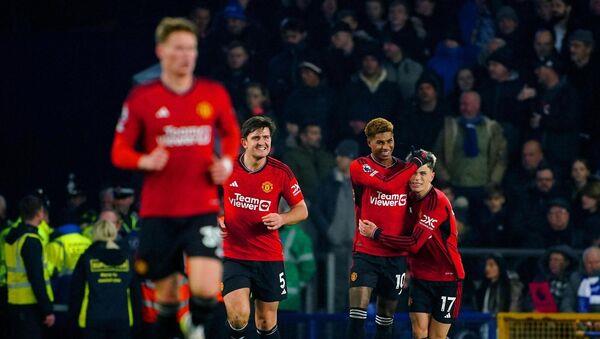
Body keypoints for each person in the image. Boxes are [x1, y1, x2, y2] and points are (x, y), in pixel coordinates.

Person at [110, 17, 241, 339]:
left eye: (192, 49)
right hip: (159, 210)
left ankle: (196, 327)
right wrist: (145, 159)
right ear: (161, 51)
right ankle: (175, 326)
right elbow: (119, 150)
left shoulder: (213, 93)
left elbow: (232, 132)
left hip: (201, 206)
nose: (186, 55)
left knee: (207, 287)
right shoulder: (143, 97)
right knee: (166, 298)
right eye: (179, 48)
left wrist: (226, 162)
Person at [358, 150, 465, 339]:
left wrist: (376, 233)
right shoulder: (405, 198)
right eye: (413, 173)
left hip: (447, 276)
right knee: (418, 333)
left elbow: (414, 243)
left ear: (432, 176)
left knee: (437, 337)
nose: (416, 178)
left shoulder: (437, 202)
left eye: (423, 173)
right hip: (420, 276)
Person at [221, 116, 308, 339]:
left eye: (266, 137)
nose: (262, 142)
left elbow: (302, 210)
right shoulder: (227, 167)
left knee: (266, 321)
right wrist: (217, 218)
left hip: (268, 256)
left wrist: (282, 219)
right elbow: (203, 197)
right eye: (256, 137)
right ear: (244, 142)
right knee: (239, 316)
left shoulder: (281, 172)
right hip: (234, 255)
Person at [346, 118, 428, 339]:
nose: (386, 147)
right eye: (379, 142)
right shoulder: (359, 166)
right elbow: (388, 186)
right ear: (369, 143)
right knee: (357, 317)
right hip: (366, 252)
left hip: (395, 256)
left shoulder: (404, 168)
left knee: (385, 321)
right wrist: (416, 163)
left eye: (389, 141)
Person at [69, 220, 141, 338]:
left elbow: (76, 292)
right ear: (114, 233)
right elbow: (135, 293)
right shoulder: (128, 259)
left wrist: (72, 322)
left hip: (92, 318)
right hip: (122, 319)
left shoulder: (86, 258)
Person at [5, 195, 55, 338]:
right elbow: (36, 278)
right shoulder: (31, 240)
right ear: (40, 213)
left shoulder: (13, 237)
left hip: (14, 302)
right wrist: (47, 309)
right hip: (30, 305)